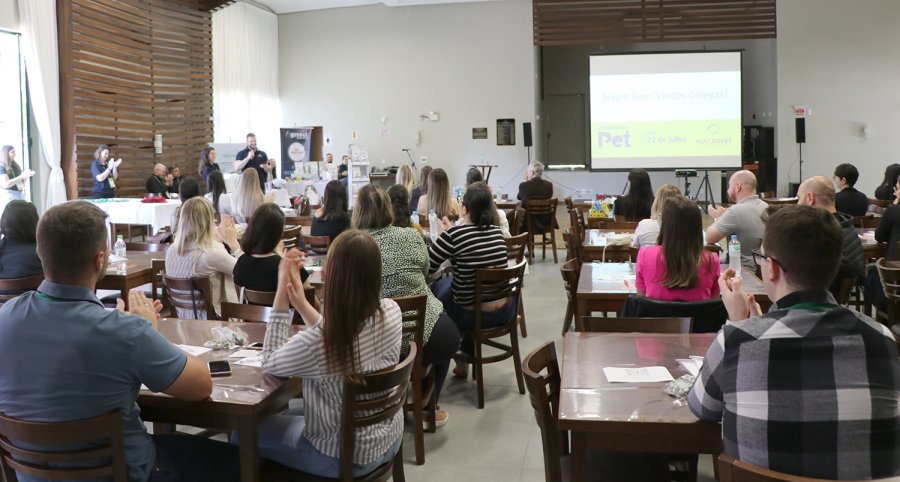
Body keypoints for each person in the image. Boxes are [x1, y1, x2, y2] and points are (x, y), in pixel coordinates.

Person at [0, 201, 239, 482]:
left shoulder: (6, 317)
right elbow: (201, 387)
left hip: (32, 474)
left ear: (40, 252)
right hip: (126, 473)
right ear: (100, 259)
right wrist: (147, 329)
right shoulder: (126, 333)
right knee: (237, 459)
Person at [688, 204, 900, 480]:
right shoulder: (881, 338)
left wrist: (740, 324)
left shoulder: (737, 340)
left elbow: (702, 408)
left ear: (772, 268)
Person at [256, 230, 403, 477]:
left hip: (341, 455)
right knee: (285, 417)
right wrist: (301, 304)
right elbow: (337, 334)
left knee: (243, 433)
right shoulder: (392, 312)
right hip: (388, 438)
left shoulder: (318, 345)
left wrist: (282, 292)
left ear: (332, 278)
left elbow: (270, 361)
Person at [353, 184, 461, 426]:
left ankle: (387, 403)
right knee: (446, 337)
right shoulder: (411, 236)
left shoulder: (353, 246)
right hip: (425, 328)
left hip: (376, 338)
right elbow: (425, 271)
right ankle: (428, 405)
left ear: (358, 212)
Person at [428, 182, 510, 377]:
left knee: (439, 290)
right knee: (463, 289)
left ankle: (439, 355)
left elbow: (428, 266)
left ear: (464, 208)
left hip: (471, 314)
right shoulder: (497, 233)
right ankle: (464, 353)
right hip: (504, 309)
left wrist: (443, 236)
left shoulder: (456, 234)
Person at [165, 197, 242, 319]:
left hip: (182, 320)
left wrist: (217, 242)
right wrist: (234, 244)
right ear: (208, 222)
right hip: (211, 322)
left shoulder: (171, 250)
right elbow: (245, 271)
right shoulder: (210, 253)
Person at [635, 196, 720, 301]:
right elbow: (714, 304)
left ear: (665, 224)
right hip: (699, 317)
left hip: (657, 317)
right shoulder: (712, 260)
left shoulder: (644, 255)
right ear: (697, 226)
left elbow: (640, 302)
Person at [796, 176, 865, 285]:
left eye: (799, 198)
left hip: (817, 297)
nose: (797, 204)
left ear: (810, 198)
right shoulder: (847, 226)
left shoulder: (821, 236)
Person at [233, 203, 308, 292]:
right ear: (278, 234)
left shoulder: (240, 264)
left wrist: (279, 257)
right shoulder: (287, 268)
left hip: (246, 306)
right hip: (282, 306)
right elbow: (312, 300)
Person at [706, 170, 767, 271]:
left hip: (741, 270)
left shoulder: (735, 211)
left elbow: (710, 237)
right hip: (761, 271)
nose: (728, 190)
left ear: (738, 186)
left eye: (729, 186)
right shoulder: (766, 207)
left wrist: (718, 218)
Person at [0, 200, 41, 281]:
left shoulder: (2, 249)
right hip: (34, 292)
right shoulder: (43, 252)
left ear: (4, 221)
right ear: (34, 221)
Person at [516, 161, 554, 233]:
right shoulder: (549, 185)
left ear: (532, 172)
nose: (526, 174)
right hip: (546, 222)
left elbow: (519, 197)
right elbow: (549, 195)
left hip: (528, 224)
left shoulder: (523, 185)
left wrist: (525, 181)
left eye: (527, 172)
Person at [0, 145, 35, 211]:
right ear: (6, 154)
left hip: (20, 193)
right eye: (12, 152)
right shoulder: (2, 167)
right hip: (10, 195)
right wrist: (21, 176)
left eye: (14, 152)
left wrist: (25, 176)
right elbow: (6, 184)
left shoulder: (14, 165)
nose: (15, 154)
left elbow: (20, 181)